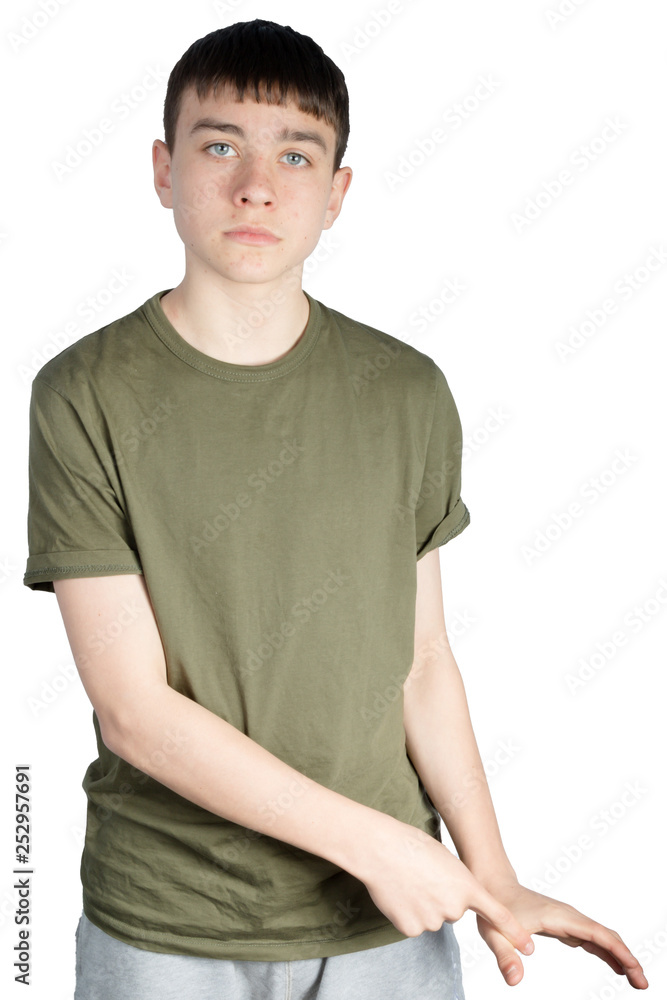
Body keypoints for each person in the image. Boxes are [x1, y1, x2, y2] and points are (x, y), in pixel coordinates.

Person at [23, 18, 648, 1000]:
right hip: (169, 921)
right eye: (218, 146)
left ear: (337, 193)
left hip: (386, 927)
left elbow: (422, 662)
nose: (255, 185)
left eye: (295, 154)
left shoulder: (404, 391)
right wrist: (384, 847)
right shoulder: (83, 393)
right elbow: (134, 711)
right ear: (163, 170)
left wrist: (490, 875)